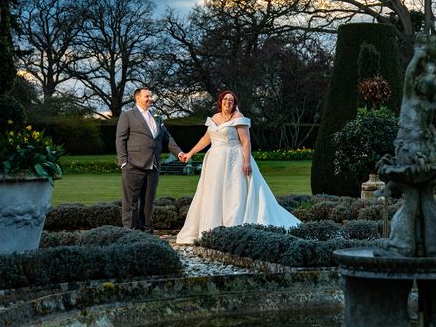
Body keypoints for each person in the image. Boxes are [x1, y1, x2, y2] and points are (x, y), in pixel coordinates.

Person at [176, 90, 300, 244]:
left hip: (234, 160)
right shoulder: (214, 118)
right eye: (225, 99)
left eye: (231, 100)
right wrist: (190, 153)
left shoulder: (239, 118)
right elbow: (206, 139)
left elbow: (246, 141)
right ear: (220, 101)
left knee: (233, 191)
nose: (228, 102)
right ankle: (211, 229)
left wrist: (247, 161)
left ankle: (232, 228)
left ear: (235, 104)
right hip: (214, 162)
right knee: (213, 192)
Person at [116, 87, 184, 232]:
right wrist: (123, 162)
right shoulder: (127, 115)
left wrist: (178, 153)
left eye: (151, 96)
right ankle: (129, 233)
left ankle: (147, 232)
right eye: (147, 96)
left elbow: (167, 138)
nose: (150, 99)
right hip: (133, 165)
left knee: (148, 203)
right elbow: (120, 139)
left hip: (153, 166)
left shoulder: (157, 117)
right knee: (131, 203)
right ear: (137, 98)